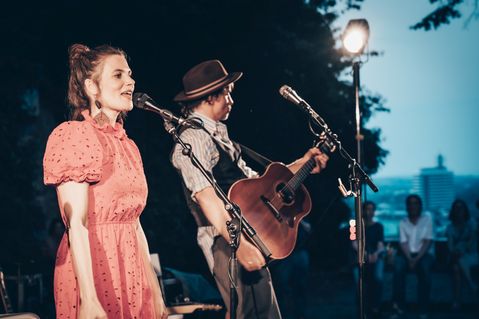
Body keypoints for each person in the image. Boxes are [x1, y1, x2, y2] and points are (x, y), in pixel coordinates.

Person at [170, 60, 329, 319]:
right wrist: (240, 245)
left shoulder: (218, 137)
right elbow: (205, 196)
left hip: (244, 236)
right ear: (210, 97)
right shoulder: (193, 137)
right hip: (227, 243)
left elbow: (259, 183)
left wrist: (303, 162)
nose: (231, 98)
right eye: (227, 92)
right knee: (253, 313)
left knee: (261, 312)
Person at [43, 44, 167, 319]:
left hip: (132, 267)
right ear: (92, 88)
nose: (130, 81)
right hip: (95, 267)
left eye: (130, 74)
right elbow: (76, 223)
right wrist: (89, 298)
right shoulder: (74, 136)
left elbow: (135, 223)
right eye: (118, 75)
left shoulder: (128, 146)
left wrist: (155, 290)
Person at [391, 194, 434, 318]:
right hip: (406, 254)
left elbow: (427, 241)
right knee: (398, 268)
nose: (412, 206)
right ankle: (399, 306)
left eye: (415, 203)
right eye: (410, 203)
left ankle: (423, 308)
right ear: (407, 206)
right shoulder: (402, 222)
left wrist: (416, 259)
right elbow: (402, 242)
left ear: (420, 205)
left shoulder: (427, 219)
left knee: (425, 270)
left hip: (424, 254)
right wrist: (410, 258)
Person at [352, 200, 385, 317]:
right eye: (367, 209)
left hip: (375, 257)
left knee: (378, 278)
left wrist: (375, 254)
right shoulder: (354, 225)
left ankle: (375, 306)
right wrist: (365, 254)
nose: (368, 212)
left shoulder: (378, 226)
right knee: (359, 283)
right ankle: (362, 309)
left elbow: (381, 244)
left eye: (371, 209)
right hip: (360, 257)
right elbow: (354, 243)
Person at [446, 199, 478, 309]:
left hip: (472, 255)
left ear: (465, 210)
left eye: (461, 208)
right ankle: (471, 285)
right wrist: (456, 251)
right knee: (457, 261)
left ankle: (457, 300)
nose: (459, 210)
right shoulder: (450, 227)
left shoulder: (472, 223)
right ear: (453, 211)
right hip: (457, 256)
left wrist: (461, 248)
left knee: (456, 266)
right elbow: (450, 247)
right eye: (456, 208)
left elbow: (470, 245)